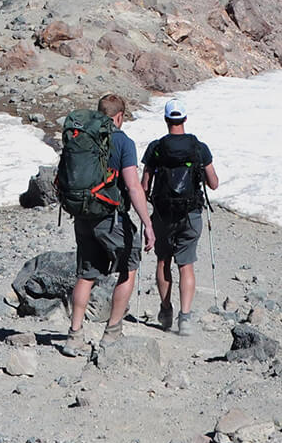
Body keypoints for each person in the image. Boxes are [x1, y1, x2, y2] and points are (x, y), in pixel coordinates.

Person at [62, 93, 155, 356]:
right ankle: (112, 332)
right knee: (129, 265)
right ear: (119, 117)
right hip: (110, 216)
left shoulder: (82, 137)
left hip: (82, 215)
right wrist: (147, 223)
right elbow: (133, 187)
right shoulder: (123, 141)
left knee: (86, 274)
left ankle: (74, 335)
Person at [141, 99, 219, 336]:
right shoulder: (199, 147)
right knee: (186, 265)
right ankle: (185, 318)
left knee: (163, 261)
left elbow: (144, 186)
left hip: (163, 213)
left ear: (166, 120)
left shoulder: (156, 148)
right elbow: (213, 183)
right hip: (191, 212)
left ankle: (166, 311)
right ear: (184, 119)